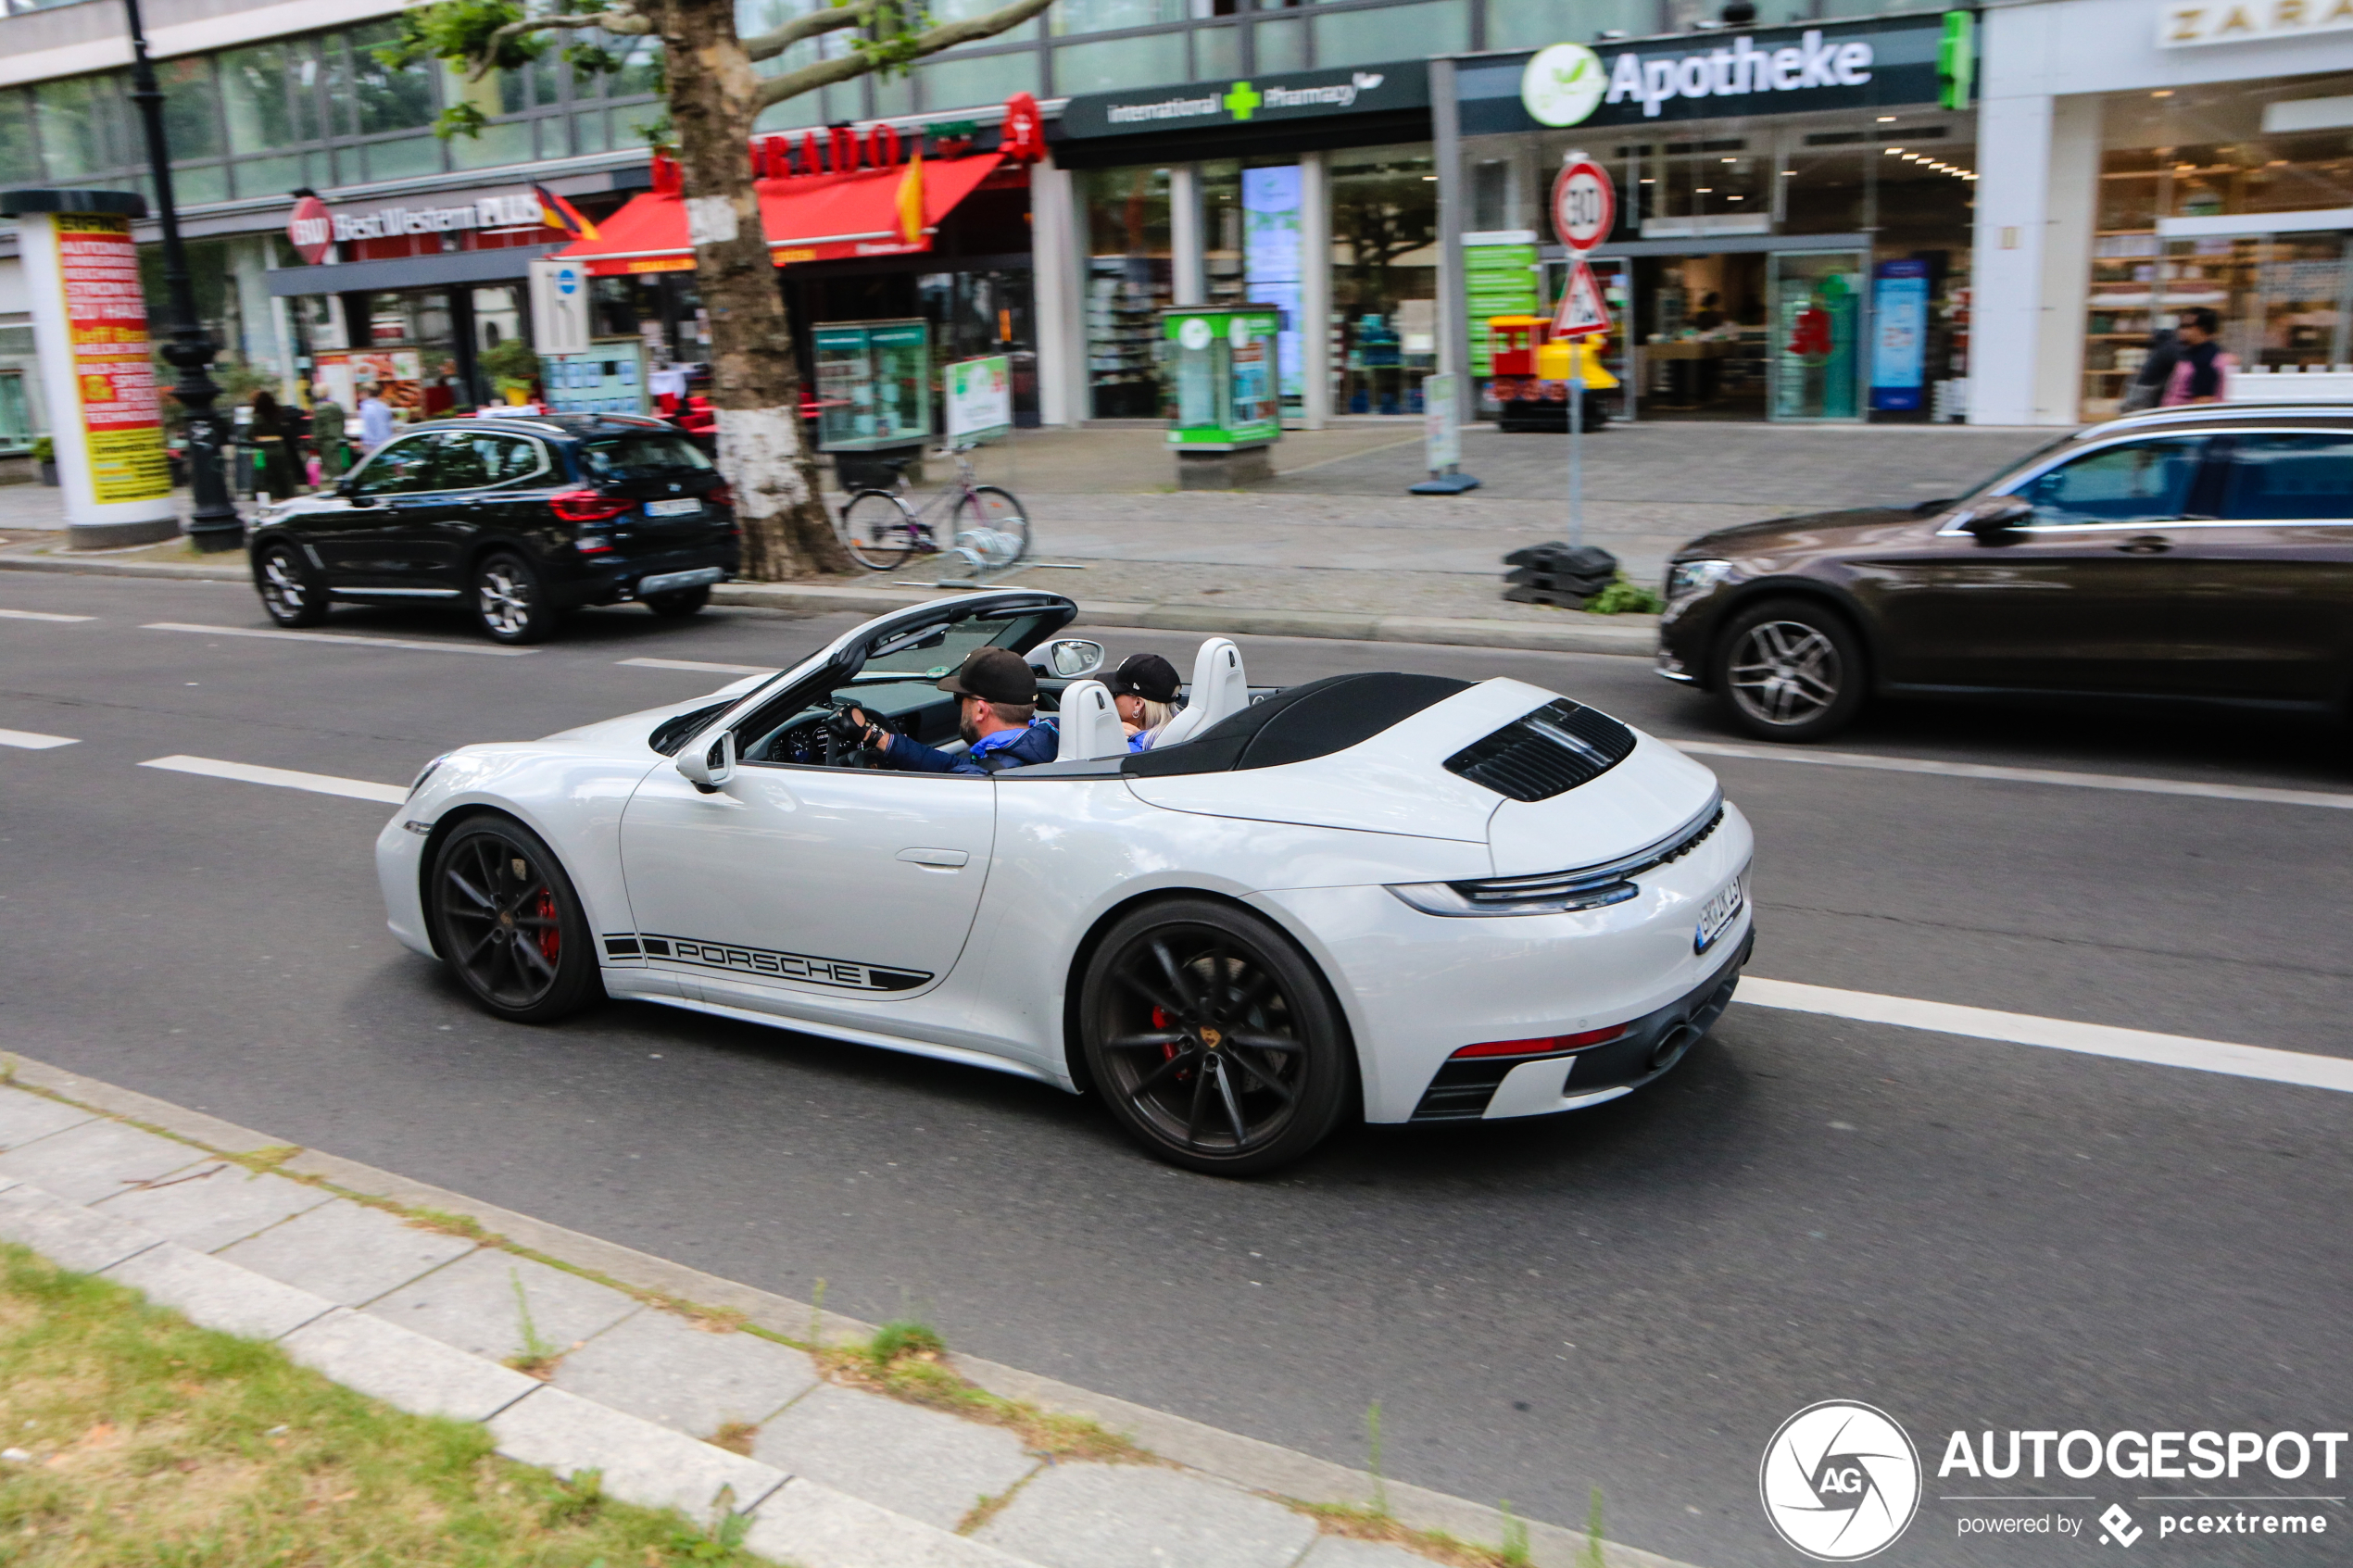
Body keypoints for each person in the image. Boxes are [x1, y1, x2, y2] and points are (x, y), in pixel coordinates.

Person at [851, 648, 1060, 776]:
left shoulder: (974, 782)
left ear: (980, 710)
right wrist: (877, 737)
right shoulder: (1050, 737)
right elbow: (956, 764)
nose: (959, 706)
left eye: (960, 698)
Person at [1106, 652, 1183, 751]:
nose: (1112, 698)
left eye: (1115, 693)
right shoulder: (1182, 730)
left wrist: (1106, 738)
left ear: (1137, 704)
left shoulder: (1126, 751)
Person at [2161, 307, 2231, 406]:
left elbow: (2203, 403)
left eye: (2187, 326)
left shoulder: (2205, 361)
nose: (2181, 331)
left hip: (2184, 419)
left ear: (2203, 329)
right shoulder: (2193, 355)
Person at [246, 390, 298, 501]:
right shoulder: (279, 415)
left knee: (264, 476)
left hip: (262, 450)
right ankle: (285, 495)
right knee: (283, 475)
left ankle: (269, 497)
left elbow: (249, 434)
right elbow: (286, 432)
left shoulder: (257, 417)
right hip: (279, 448)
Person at [308, 383, 350, 483]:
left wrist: (313, 444)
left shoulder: (319, 409)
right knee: (344, 469)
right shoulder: (338, 407)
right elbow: (343, 423)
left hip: (328, 444)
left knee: (332, 472)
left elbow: (318, 430)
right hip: (342, 441)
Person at [357, 383, 395, 452]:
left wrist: (365, 444)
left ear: (366, 393)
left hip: (372, 444)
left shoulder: (366, 408)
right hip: (386, 441)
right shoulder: (384, 406)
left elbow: (367, 428)